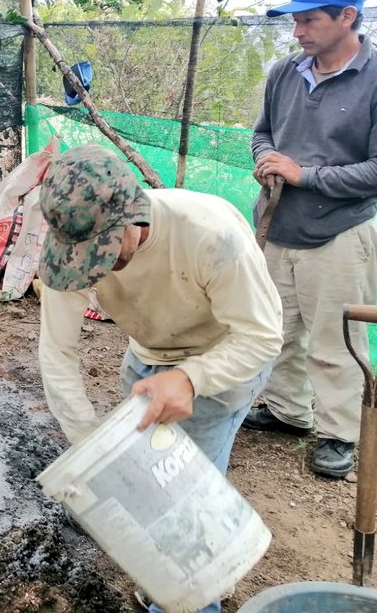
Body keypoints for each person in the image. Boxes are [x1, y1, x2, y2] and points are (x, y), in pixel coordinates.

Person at [36, 145, 282, 613]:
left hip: (225, 356)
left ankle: (195, 595)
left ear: (133, 213)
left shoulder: (210, 234)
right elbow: (58, 353)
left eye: (104, 252)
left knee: (187, 496)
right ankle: (172, 578)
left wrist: (190, 378)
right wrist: (92, 448)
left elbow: (261, 337)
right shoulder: (70, 246)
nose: (97, 267)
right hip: (147, 357)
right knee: (144, 481)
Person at [242, 0, 377, 479]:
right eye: (295, 22)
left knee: (335, 340)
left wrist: (304, 174)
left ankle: (340, 434)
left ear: (347, 17)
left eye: (309, 21)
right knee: (277, 330)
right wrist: (267, 156)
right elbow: (262, 134)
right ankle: (287, 412)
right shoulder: (285, 71)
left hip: (339, 234)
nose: (298, 32)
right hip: (278, 224)